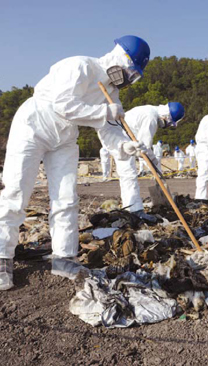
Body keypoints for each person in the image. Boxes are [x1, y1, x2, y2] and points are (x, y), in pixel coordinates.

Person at [0, 35, 151, 290]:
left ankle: (64, 258)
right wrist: (104, 111)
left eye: (134, 76)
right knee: (16, 191)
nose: (128, 79)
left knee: (67, 198)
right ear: (120, 58)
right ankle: (3, 256)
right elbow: (63, 105)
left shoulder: (111, 94)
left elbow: (110, 130)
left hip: (65, 137)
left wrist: (124, 146)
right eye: (130, 71)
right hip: (34, 125)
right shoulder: (80, 66)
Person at [98, 102, 185, 215]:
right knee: (129, 174)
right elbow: (144, 147)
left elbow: (144, 146)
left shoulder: (149, 109)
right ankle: (135, 211)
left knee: (127, 176)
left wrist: (153, 160)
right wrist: (153, 161)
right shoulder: (151, 118)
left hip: (123, 137)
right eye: (169, 123)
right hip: (122, 138)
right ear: (166, 117)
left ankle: (130, 208)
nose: (167, 126)